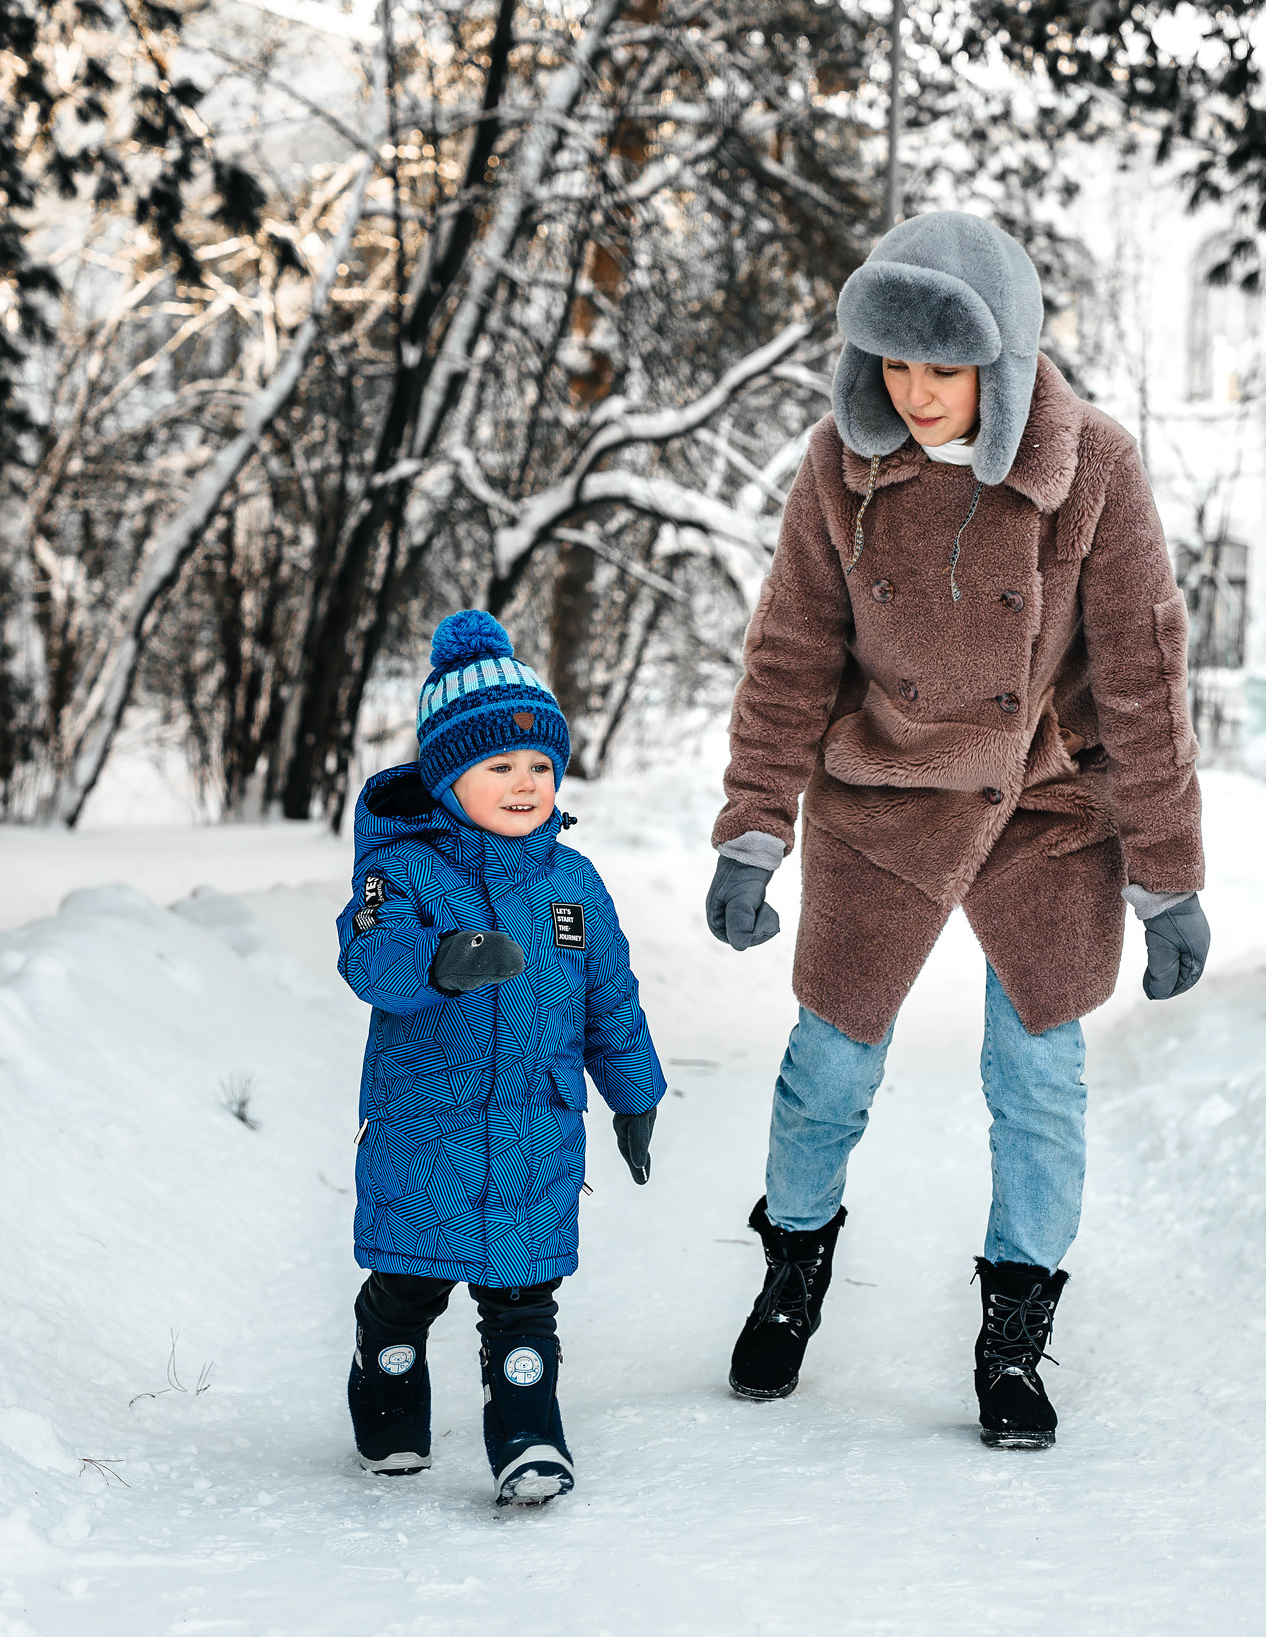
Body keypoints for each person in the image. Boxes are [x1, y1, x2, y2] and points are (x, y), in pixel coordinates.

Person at [706, 210, 1211, 1449]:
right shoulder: (839, 466)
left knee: (1038, 1079)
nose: (917, 393)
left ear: (1003, 357)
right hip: (880, 802)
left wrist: (1168, 874)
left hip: (1042, 808)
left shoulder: (1091, 466)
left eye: (945, 367)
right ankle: (794, 1267)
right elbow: (791, 655)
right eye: (894, 363)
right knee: (829, 1068)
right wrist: (752, 827)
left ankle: (1016, 1337)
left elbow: (1142, 679)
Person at [336, 609, 664, 1503]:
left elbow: (611, 999)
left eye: (540, 766)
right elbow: (368, 957)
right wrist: (437, 962)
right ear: (448, 777)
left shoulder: (575, 884)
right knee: (409, 1282)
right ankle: (387, 1372)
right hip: (426, 1124)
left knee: (523, 1303)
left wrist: (635, 1091)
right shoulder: (401, 871)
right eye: (499, 766)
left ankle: (527, 1435)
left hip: (536, 1128)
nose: (525, 783)